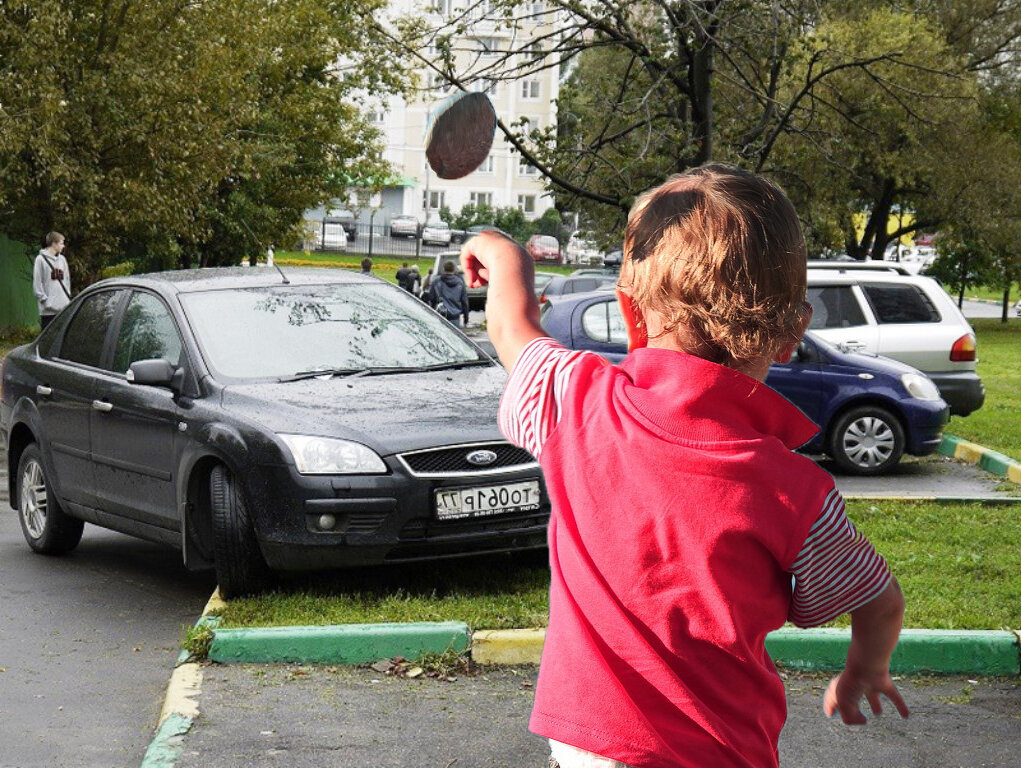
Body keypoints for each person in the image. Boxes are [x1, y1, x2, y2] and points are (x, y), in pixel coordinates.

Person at [460, 163, 909, 768]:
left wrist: (504, 252)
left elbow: (513, 328)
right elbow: (877, 598)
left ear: (630, 312)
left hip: (592, 743)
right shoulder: (796, 494)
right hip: (721, 750)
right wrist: (864, 670)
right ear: (792, 334)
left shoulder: (574, 401)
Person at [33, 231, 71, 330]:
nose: (63, 246)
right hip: (48, 311)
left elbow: (67, 281)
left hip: (63, 308)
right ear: (54, 244)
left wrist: (67, 300)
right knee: (47, 339)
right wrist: (46, 301)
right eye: (61, 243)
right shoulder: (40, 259)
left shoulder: (62, 260)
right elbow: (37, 283)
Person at [429, 260, 469, 327]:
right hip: (455, 317)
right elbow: (464, 301)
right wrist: (466, 317)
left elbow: (431, 298)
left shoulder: (437, 282)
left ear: (444, 269)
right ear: (454, 269)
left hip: (440, 315)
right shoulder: (460, 283)